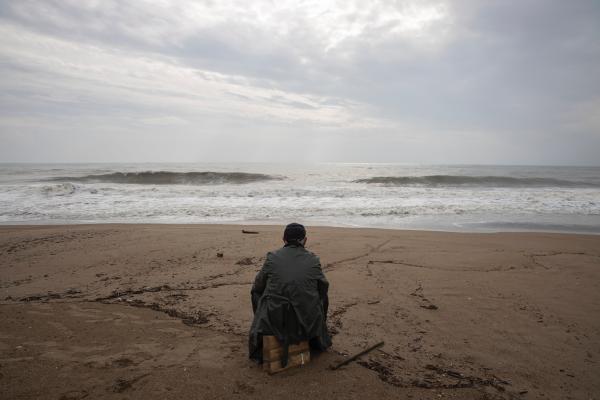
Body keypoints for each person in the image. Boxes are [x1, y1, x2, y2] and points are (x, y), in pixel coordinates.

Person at [248, 223, 331, 364]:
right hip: (306, 322)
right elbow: (323, 289)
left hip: (275, 320)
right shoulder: (313, 259)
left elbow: (258, 286)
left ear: (283, 239)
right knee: (322, 296)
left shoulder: (272, 257)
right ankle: (316, 334)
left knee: (256, 293)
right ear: (305, 240)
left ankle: (263, 330)